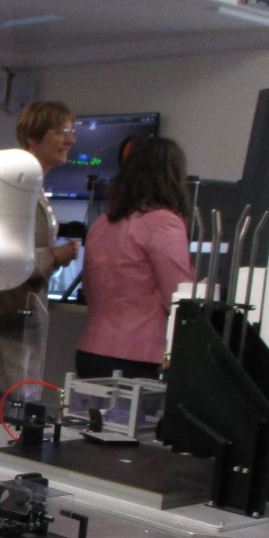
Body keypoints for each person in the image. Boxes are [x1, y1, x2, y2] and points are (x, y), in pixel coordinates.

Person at [0, 100, 82, 421]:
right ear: (33, 138)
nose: (70, 140)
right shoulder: (16, 190)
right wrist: (53, 256)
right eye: (61, 131)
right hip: (6, 327)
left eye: (71, 131)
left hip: (25, 324)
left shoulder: (38, 191)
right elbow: (2, 258)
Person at [76, 136, 194, 379]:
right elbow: (178, 297)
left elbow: (89, 289)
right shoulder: (164, 222)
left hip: (92, 352)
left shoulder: (102, 223)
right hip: (139, 359)